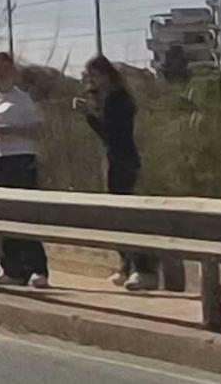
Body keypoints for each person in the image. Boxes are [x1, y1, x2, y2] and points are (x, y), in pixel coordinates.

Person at [0, 52, 49, 288]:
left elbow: (38, 131)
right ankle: (13, 268)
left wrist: (9, 131)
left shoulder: (22, 99)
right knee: (3, 217)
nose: (1, 73)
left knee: (25, 215)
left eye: (6, 69)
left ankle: (39, 268)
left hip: (22, 160)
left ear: (12, 72)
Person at [78, 55, 155, 291]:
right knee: (115, 217)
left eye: (95, 76)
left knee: (127, 216)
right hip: (114, 160)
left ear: (106, 75)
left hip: (124, 161)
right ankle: (126, 264)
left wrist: (89, 116)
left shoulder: (118, 100)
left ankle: (143, 268)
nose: (92, 81)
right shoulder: (106, 99)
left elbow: (112, 134)